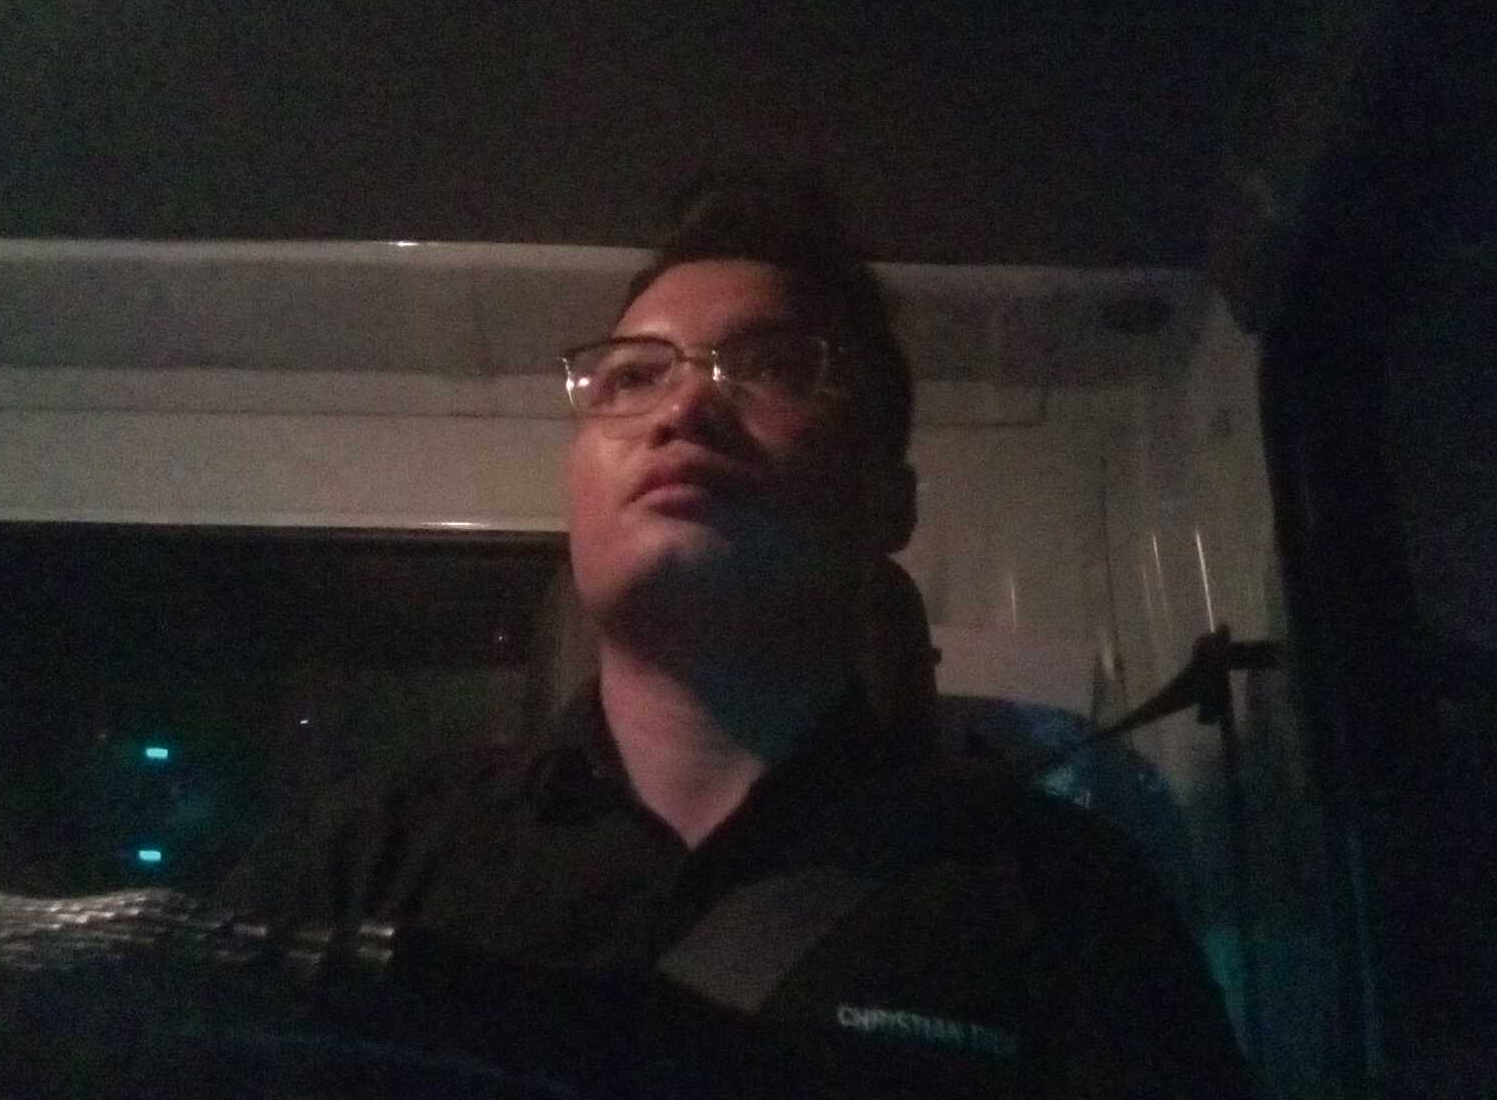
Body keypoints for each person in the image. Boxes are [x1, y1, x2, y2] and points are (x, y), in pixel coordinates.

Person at [225, 178, 1255, 1098]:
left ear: (888, 502)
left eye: (770, 366)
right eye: (632, 378)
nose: (683, 407)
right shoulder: (369, 855)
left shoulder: (1061, 899)